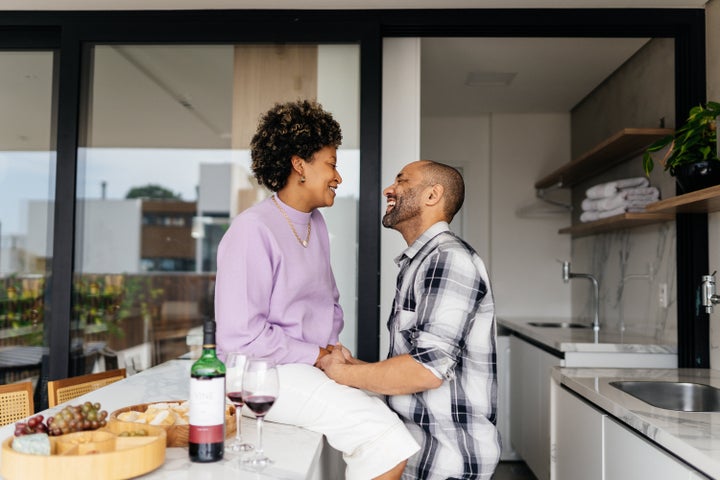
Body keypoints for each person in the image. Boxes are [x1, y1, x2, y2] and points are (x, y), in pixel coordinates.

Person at [214, 99, 419, 480]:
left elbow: (328, 303)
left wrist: (332, 354)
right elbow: (240, 337)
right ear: (299, 165)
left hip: (304, 365)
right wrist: (317, 353)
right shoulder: (251, 230)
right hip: (259, 372)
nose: (338, 177)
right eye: (331, 164)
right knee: (385, 438)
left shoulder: (316, 224)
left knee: (386, 409)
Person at [319, 160, 501, 479]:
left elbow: (426, 371)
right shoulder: (421, 262)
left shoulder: (446, 260)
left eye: (402, 181)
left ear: (433, 195)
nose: (389, 189)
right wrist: (354, 367)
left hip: (446, 463)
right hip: (421, 456)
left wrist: (341, 374)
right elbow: (419, 363)